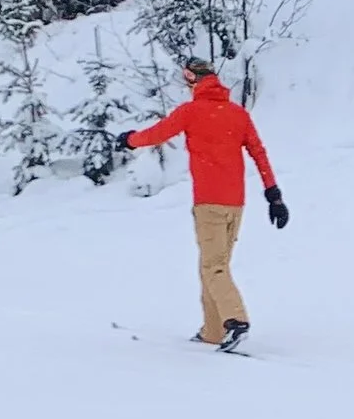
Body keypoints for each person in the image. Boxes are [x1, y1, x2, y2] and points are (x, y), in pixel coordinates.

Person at [122, 58, 287, 352]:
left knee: (213, 266)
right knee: (213, 265)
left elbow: (158, 133)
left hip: (209, 202)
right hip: (235, 203)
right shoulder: (237, 114)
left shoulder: (191, 111)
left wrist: (130, 140)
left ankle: (236, 321)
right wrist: (273, 194)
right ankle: (213, 330)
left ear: (191, 79)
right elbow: (258, 152)